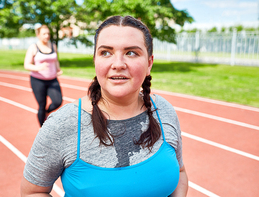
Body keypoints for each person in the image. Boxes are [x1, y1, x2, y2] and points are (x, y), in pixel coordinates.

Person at [21, 16, 188, 196]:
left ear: (149, 63)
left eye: (131, 52)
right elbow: (32, 192)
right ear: (95, 61)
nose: (118, 64)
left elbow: (180, 172)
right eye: (106, 53)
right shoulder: (62, 124)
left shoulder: (163, 111)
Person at [24, 24, 63, 127]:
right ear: (38, 35)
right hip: (38, 80)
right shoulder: (34, 47)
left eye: (48, 33)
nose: (47, 36)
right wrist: (38, 68)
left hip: (52, 80)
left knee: (58, 101)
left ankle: (46, 112)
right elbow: (26, 64)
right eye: (44, 34)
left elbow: (55, 60)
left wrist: (58, 69)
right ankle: (42, 129)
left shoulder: (53, 45)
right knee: (42, 105)